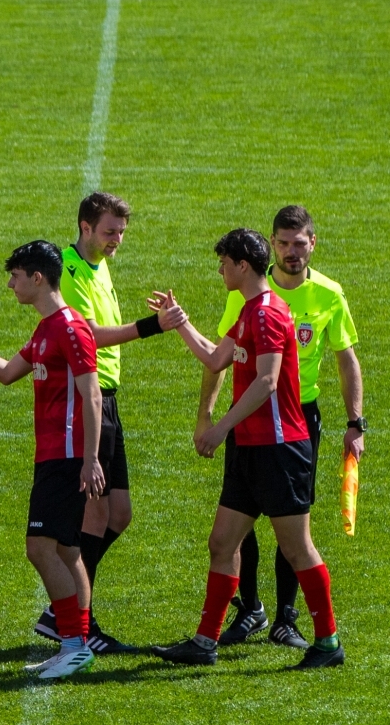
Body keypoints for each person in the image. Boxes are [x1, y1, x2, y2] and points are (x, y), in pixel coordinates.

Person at [149, 229, 342, 669]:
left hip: (279, 449)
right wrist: (179, 322)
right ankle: (205, 642)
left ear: (241, 265)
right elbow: (215, 358)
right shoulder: (249, 310)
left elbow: (267, 381)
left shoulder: (269, 313)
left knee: (297, 549)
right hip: (251, 449)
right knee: (222, 542)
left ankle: (328, 642)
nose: (220, 271)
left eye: (223, 264)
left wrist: (220, 428)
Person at [208, 205, 366, 649]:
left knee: (291, 529)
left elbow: (346, 361)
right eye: (284, 243)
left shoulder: (326, 295)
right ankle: (247, 611)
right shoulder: (246, 295)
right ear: (272, 245)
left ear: (313, 243)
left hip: (293, 423)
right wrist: (210, 414)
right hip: (249, 419)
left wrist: (355, 422)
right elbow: (220, 357)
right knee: (235, 526)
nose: (292, 252)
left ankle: (289, 619)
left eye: (300, 243)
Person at [0, 241, 105, 680]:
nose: (10, 284)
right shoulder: (45, 329)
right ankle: (77, 643)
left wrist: (90, 458)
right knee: (67, 550)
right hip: (54, 455)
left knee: (39, 548)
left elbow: (92, 393)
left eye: (15, 276)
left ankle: (73, 645)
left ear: (38, 278)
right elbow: (5, 373)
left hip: (68, 456)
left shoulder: (70, 328)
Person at [50, 191, 182, 652]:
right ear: (85, 227)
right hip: (87, 398)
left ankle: (64, 610)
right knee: (95, 513)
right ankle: (75, 619)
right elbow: (85, 335)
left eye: (122, 232)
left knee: (119, 513)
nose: (117, 240)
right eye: (110, 232)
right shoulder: (68, 270)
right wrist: (151, 326)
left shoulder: (99, 264)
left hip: (108, 396)